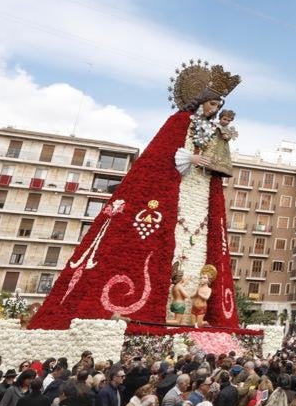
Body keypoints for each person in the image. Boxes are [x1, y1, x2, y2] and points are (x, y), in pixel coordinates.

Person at [28, 62, 243, 330]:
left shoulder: (212, 131)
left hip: (199, 195)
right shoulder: (178, 122)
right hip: (174, 191)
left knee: (196, 254)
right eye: (212, 105)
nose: (215, 111)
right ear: (200, 102)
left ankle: (191, 318)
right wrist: (192, 157)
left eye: (218, 107)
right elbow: (163, 156)